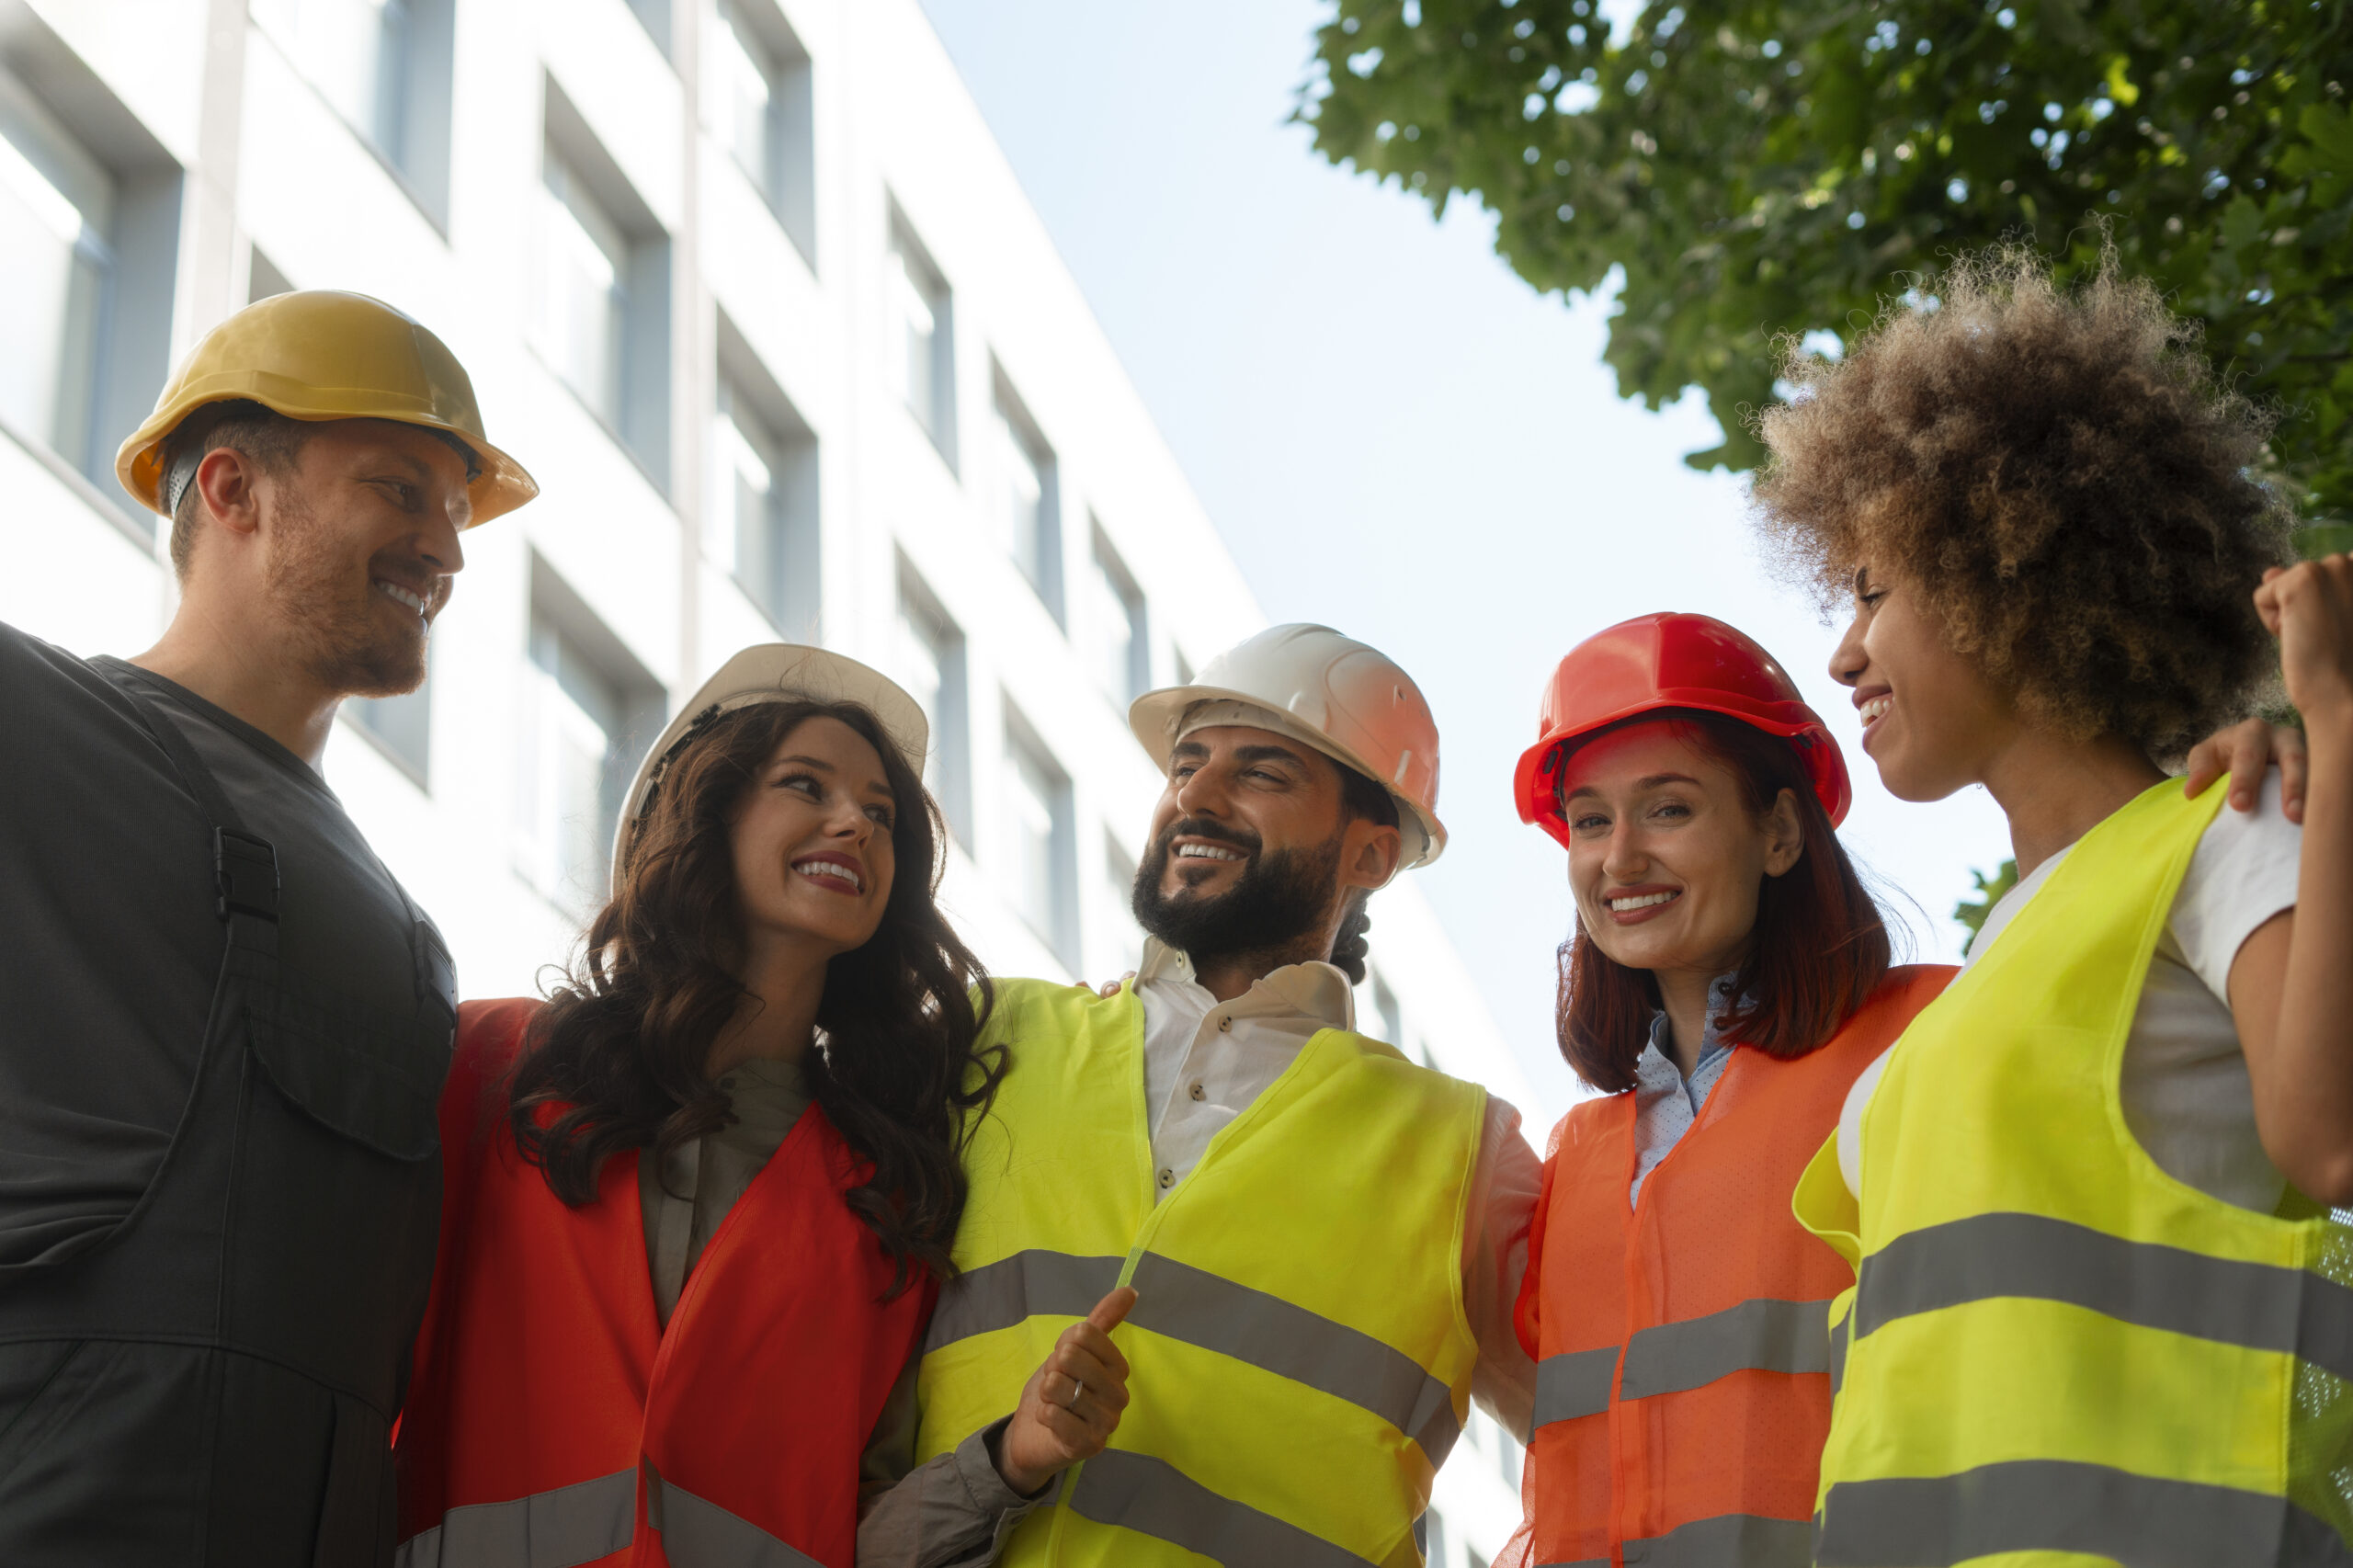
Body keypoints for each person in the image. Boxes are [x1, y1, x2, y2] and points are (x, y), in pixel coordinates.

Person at [1750, 246, 2353, 1562]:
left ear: (2008, 571)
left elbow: (2335, 1140)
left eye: (1870, 589)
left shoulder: (2224, 829)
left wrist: (2338, 718)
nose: (1841, 651)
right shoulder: (1985, 985)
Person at [0, 290, 533, 1564]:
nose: (444, 549)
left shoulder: (411, 942)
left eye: (456, 513)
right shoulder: (33, 728)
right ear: (233, 488)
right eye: (400, 490)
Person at [858, 624, 1541, 1567]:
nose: (1195, 797)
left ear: (1372, 855)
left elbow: (1611, 1439)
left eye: (1260, 772)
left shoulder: (1462, 1145)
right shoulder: (990, 1037)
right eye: (1186, 763)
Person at [394, 646, 1017, 1568]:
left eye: (881, 813)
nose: (853, 822)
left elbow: (866, 1522)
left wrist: (1010, 1464)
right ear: (706, 814)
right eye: (805, 784)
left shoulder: (887, 1196)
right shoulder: (491, 1063)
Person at [1503, 612, 1951, 1567]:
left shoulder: (1925, 1038)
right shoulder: (1573, 1160)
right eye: (1589, 819)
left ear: (1780, 830)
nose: (1618, 857)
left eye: (1667, 808)